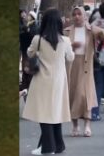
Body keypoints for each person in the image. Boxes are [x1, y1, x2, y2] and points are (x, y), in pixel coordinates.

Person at [24, 9, 75, 155]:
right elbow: (70, 57)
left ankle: (48, 148)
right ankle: (58, 145)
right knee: (55, 112)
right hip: (59, 80)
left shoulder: (38, 39)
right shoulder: (65, 41)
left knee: (43, 113)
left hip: (41, 79)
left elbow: (29, 53)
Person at [65, 5, 104, 137]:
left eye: (80, 14)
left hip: (86, 66)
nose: (77, 17)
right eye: (74, 14)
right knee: (73, 94)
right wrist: (71, 46)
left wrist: (94, 26)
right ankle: (75, 125)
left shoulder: (90, 31)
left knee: (85, 95)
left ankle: (87, 125)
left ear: (85, 16)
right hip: (72, 65)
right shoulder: (67, 31)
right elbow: (61, 47)